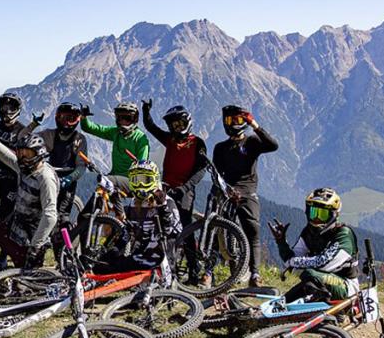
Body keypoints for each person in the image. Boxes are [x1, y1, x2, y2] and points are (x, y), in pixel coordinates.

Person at [141, 100, 208, 282]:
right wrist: (146, 111)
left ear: (188, 123)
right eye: (174, 125)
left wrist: (185, 188)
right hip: (165, 189)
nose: (178, 128)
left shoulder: (198, 143)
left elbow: (201, 170)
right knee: (161, 227)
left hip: (185, 192)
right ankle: (166, 268)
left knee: (185, 230)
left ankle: (194, 271)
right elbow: (151, 127)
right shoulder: (169, 139)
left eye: (181, 124)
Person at [212, 105, 279, 287]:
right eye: (230, 120)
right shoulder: (220, 148)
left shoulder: (252, 142)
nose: (234, 124)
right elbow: (217, 174)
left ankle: (255, 274)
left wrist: (255, 124)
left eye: (238, 120)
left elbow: (273, 145)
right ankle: (209, 271)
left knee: (252, 231)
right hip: (227, 192)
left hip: (247, 192)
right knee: (216, 229)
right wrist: (222, 190)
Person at [0, 126, 58, 269]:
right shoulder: (25, 168)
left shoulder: (46, 178)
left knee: (25, 286)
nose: (23, 157)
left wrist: (35, 247)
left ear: (39, 153)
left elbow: (50, 216)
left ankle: (13, 275)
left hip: (32, 241)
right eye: (21, 153)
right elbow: (6, 155)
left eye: (28, 154)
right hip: (15, 230)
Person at [88, 160, 182, 273]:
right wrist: (113, 251)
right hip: (138, 256)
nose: (139, 185)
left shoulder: (168, 203)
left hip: (159, 261)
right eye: (135, 180)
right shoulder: (134, 202)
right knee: (100, 267)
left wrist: (163, 208)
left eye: (144, 180)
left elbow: (171, 233)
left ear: (154, 180)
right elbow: (129, 231)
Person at [270, 188, 359, 303]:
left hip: (347, 287)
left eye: (322, 214)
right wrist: (281, 242)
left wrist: (294, 262)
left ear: (333, 214)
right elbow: (290, 259)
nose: (316, 219)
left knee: (310, 274)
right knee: (285, 301)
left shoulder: (344, 235)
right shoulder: (309, 232)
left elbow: (323, 264)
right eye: (313, 213)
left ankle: (337, 314)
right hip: (319, 280)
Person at [39, 102, 90, 232]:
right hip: (49, 177)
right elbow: (27, 140)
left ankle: (64, 249)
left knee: (62, 218)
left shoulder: (80, 139)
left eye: (72, 119)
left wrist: (69, 179)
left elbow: (81, 167)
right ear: (57, 117)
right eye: (64, 118)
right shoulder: (49, 134)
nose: (67, 123)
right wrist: (32, 125)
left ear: (77, 120)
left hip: (67, 183)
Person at [81, 101, 150, 194]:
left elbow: (142, 165)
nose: (122, 121)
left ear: (134, 119)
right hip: (114, 176)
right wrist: (83, 117)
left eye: (127, 118)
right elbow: (91, 128)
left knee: (105, 182)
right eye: (119, 118)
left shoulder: (140, 139)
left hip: (131, 181)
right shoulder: (116, 133)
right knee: (98, 189)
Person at [0, 92, 30, 220]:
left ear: (17, 110)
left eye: (11, 108)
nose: (7, 111)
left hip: (14, 177)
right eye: (4, 108)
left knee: (6, 211)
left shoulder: (22, 130)